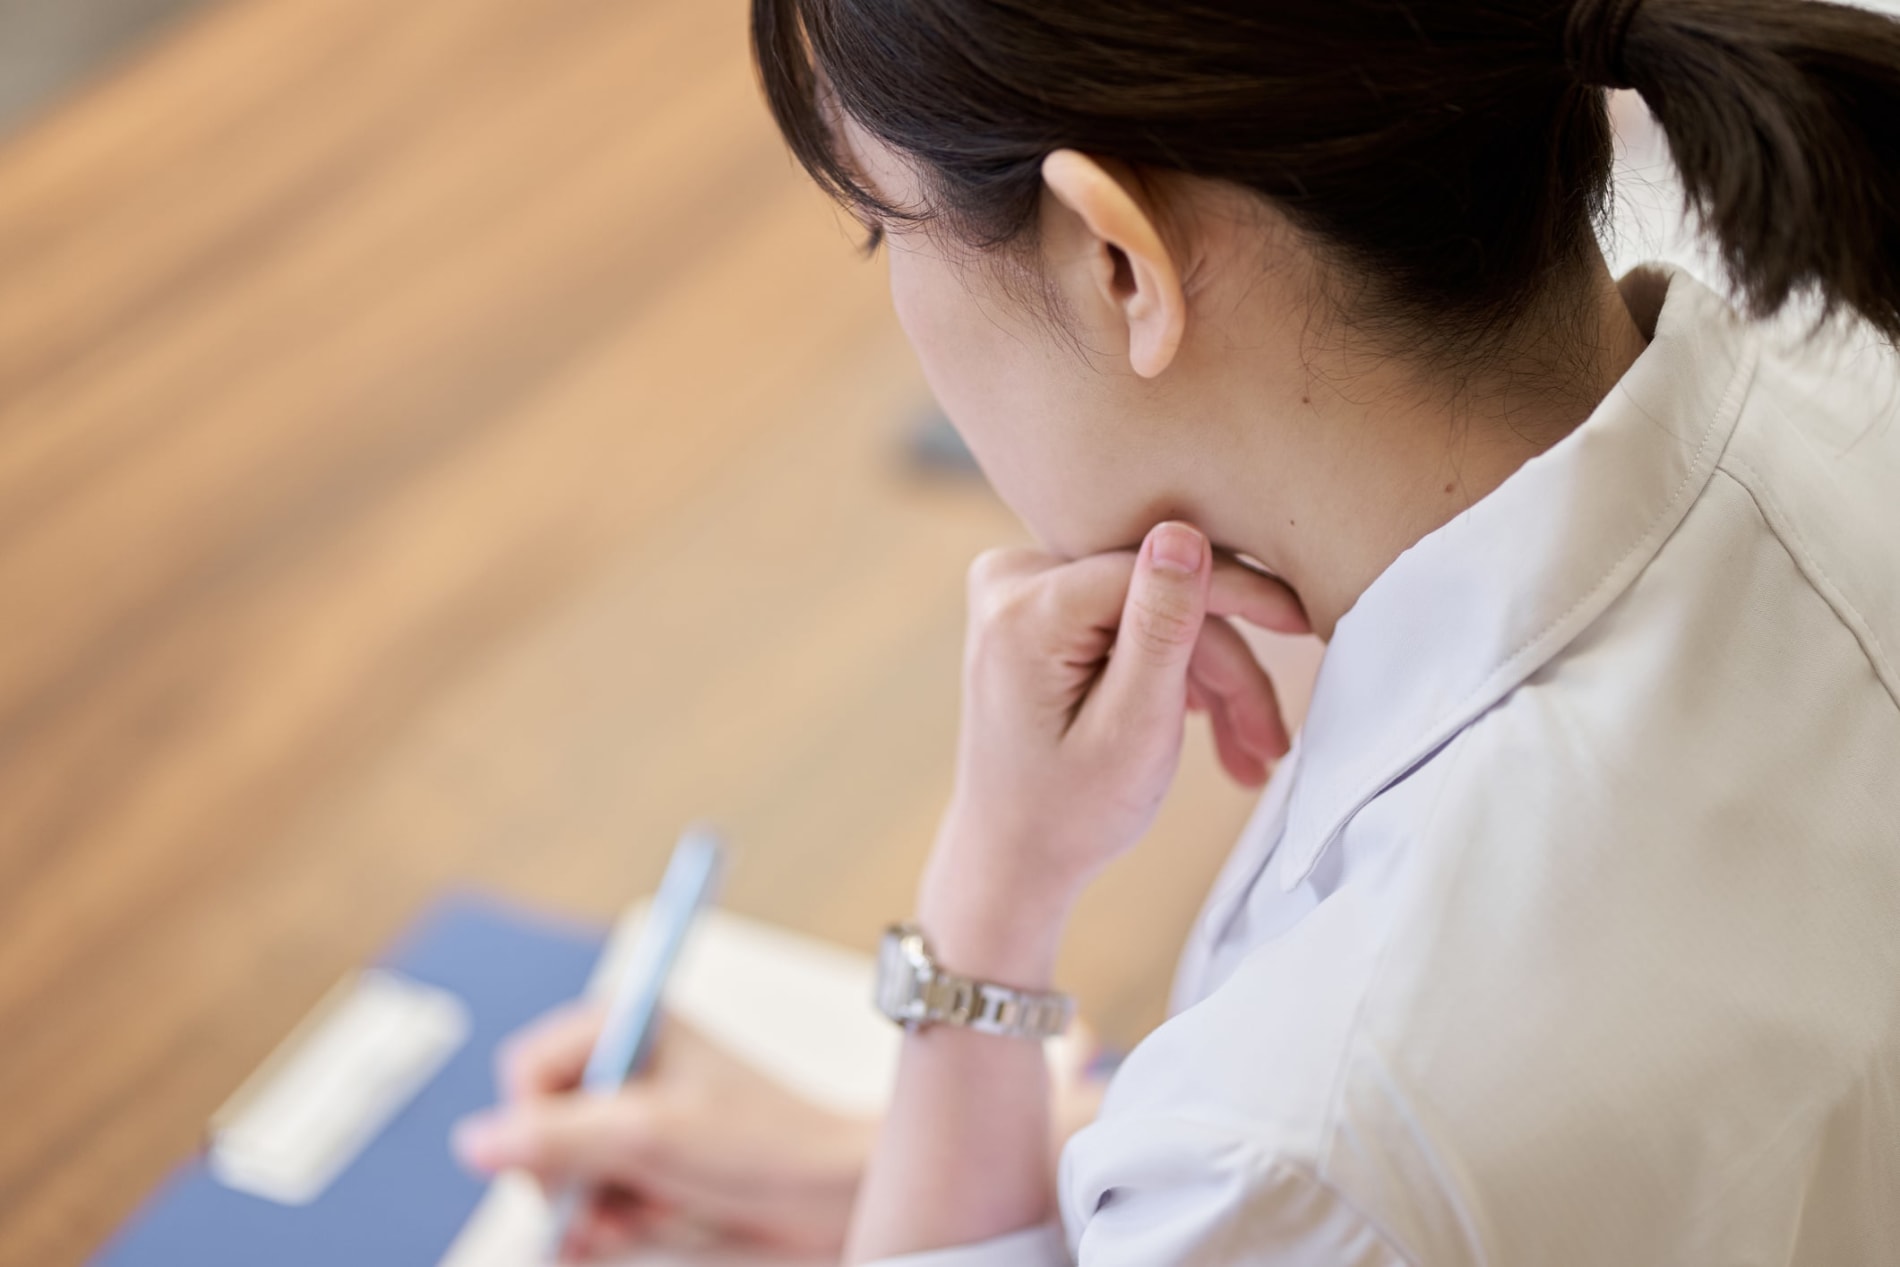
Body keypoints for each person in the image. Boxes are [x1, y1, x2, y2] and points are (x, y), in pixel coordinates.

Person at [451, 0, 1900, 1261]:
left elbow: (1353, 1164)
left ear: (1118, 262)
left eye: (877, 226)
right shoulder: (1840, 332)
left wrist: (991, 909)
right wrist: (952, 1160)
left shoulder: (1308, 1133)